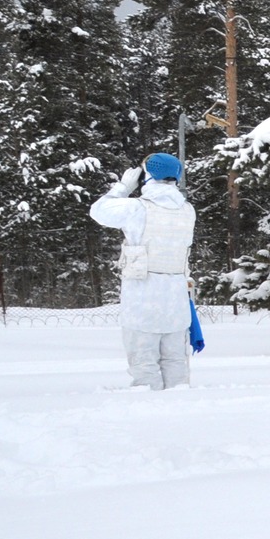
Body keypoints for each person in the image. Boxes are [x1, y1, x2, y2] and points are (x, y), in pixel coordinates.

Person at [89, 152, 198, 390]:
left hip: (142, 295)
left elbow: (98, 211)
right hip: (175, 296)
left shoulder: (137, 208)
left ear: (146, 175)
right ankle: (180, 405)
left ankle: (149, 409)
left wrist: (123, 187)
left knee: (143, 361)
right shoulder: (187, 210)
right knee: (176, 360)